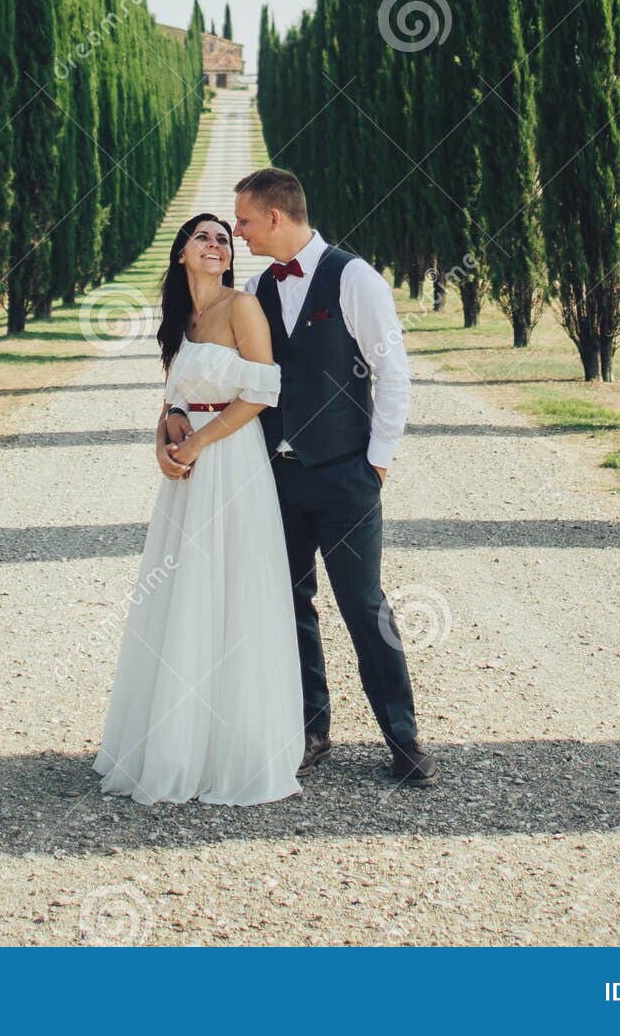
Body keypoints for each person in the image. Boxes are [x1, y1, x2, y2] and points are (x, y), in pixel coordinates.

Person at [161, 168, 439, 787]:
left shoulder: (354, 278)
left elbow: (393, 374)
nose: (237, 232)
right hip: (272, 480)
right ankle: (313, 730)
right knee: (288, 605)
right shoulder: (256, 290)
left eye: (244, 222)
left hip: (345, 477)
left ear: (276, 218)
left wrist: (378, 461)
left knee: (364, 605)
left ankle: (404, 735)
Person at [94, 213, 302, 805]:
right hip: (186, 471)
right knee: (183, 591)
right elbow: (171, 399)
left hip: (233, 462)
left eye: (223, 238)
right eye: (203, 237)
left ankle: (233, 748)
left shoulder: (242, 308)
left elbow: (263, 391)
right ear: (181, 253)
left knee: (231, 588)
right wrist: (165, 442)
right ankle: (174, 742)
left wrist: (204, 440)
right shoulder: (178, 321)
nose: (216, 245)